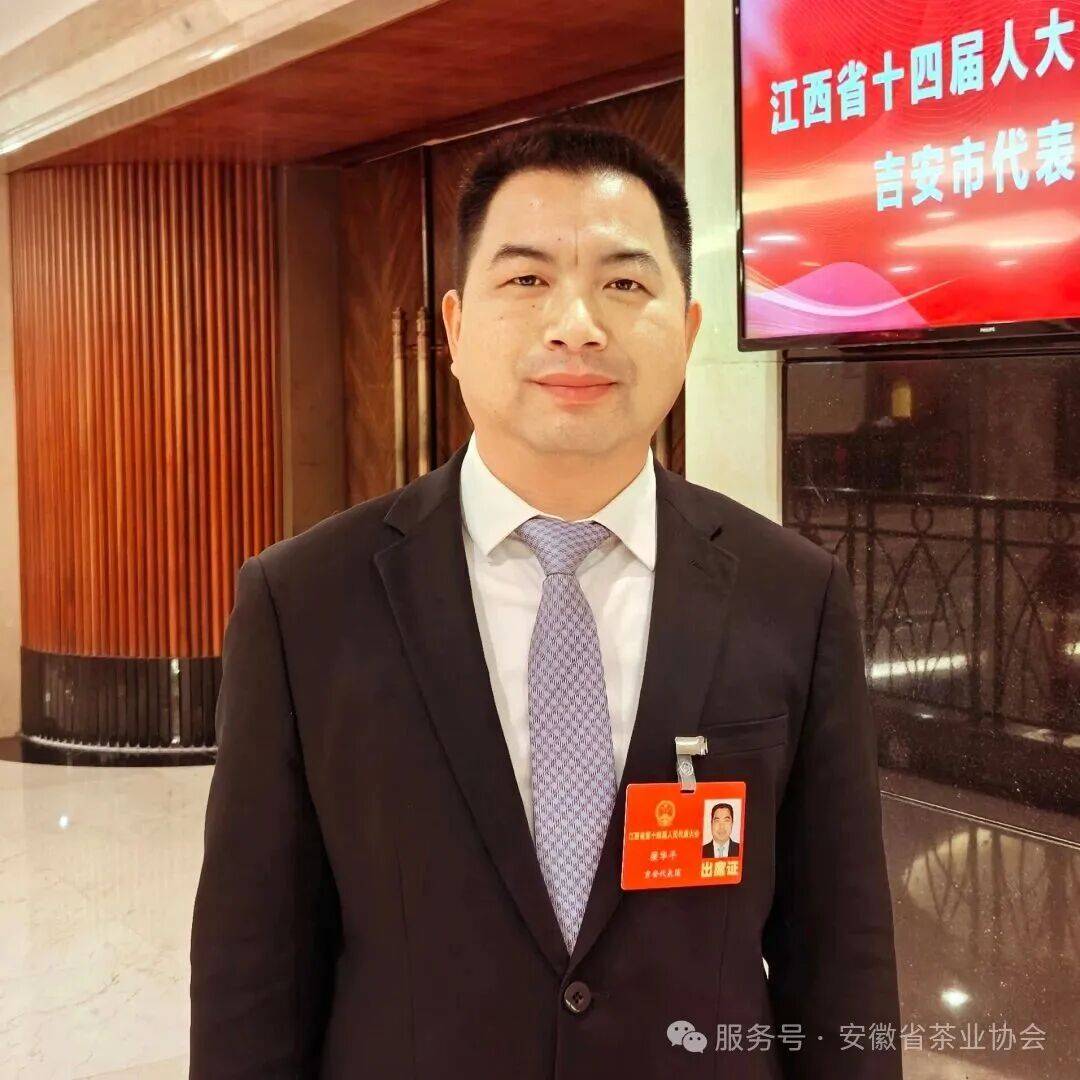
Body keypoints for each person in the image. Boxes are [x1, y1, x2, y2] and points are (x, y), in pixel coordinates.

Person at [189, 123, 902, 1078]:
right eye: (527, 279)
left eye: (625, 284)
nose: (577, 324)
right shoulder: (303, 602)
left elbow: (841, 956)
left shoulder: (794, 595)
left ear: (689, 331)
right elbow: (253, 969)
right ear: (453, 329)